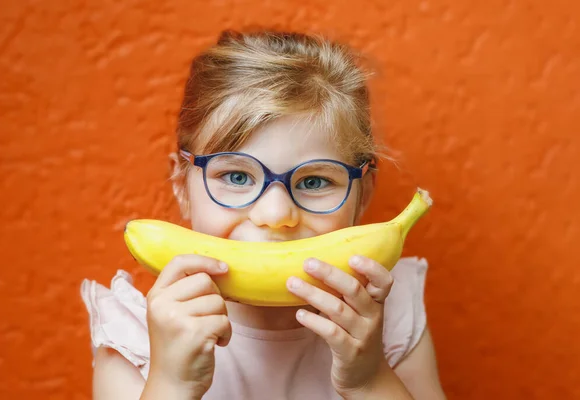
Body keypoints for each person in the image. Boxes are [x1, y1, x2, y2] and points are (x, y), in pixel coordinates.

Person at [81, 29, 446, 399]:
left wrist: (368, 381)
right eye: (236, 176)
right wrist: (173, 384)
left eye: (315, 181)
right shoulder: (135, 337)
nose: (275, 214)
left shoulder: (390, 318)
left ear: (362, 193)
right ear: (181, 186)